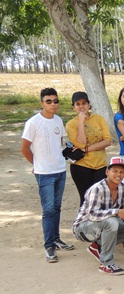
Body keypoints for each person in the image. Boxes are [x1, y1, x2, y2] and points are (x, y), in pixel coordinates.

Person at [21, 87, 75, 263]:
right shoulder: (34, 122)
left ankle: (56, 238)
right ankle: (49, 246)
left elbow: (58, 144)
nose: (53, 104)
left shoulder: (58, 121)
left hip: (60, 170)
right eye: (49, 101)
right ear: (42, 103)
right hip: (44, 173)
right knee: (48, 209)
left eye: (55, 101)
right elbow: (24, 148)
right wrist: (37, 165)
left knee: (57, 207)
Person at [72, 157, 124, 275]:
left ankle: (97, 247)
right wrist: (116, 212)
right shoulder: (97, 188)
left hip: (102, 225)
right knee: (111, 222)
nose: (118, 174)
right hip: (83, 228)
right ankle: (106, 264)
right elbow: (93, 214)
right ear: (107, 172)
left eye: (121, 172)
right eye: (115, 171)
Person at [65, 91, 111, 205]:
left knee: (100, 199)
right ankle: (83, 222)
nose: (81, 106)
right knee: (86, 200)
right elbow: (81, 143)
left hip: (100, 165)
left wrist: (86, 149)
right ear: (73, 107)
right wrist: (81, 122)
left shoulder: (99, 119)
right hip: (81, 166)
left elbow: (107, 141)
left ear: (89, 105)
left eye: (84, 103)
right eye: (78, 104)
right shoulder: (71, 124)